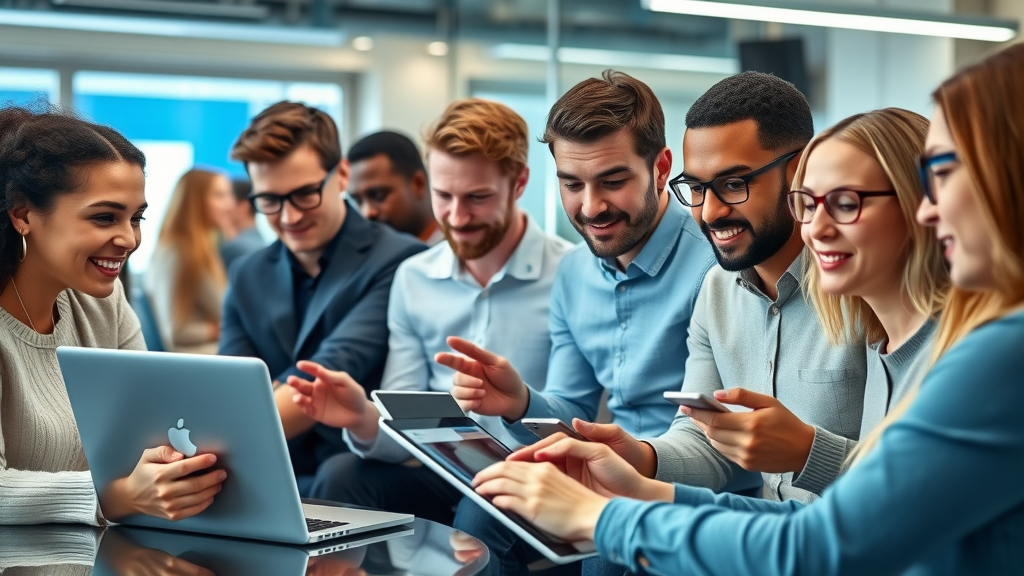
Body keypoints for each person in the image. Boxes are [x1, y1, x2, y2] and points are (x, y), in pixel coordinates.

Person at [472, 43, 1024, 575]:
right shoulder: (752, 298)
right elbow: (821, 520)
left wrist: (606, 516)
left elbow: (831, 540)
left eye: (945, 174)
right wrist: (643, 479)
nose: (817, 227)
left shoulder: (969, 345)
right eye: (812, 204)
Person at [528, 72, 868, 511]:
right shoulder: (719, 288)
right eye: (698, 188)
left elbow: (925, 477)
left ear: (799, 171)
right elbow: (707, 441)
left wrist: (809, 452)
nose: (709, 212)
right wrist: (641, 457)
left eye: (733, 184)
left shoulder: (863, 287)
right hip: (775, 533)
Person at [435, 70, 716, 574]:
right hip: (601, 470)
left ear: (660, 168)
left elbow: (714, 442)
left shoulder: (714, 266)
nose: (591, 207)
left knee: (608, 551)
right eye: (572, 184)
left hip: (681, 480)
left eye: (613, 181)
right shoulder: (573, 272)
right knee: (479, 510)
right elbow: (575, 406)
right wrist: (520, 400)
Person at [288, 99, 571, 524]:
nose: (456, 217)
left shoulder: (570, 273)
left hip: (537, 474)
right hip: (446, 474)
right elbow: (407, 424)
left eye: (477, 197)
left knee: (484, 512)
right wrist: (361, 416)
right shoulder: (412, 277)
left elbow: (579, 413)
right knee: (339, 475)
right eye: (443, 196)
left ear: (519, 183)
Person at [0, 106, 225, 525]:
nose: (129, 239)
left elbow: (152, 426)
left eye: (136, 217)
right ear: (23, 213)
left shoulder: (103, 302)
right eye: (105, 217)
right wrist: (116, 495)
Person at [220, 102, 426, 496]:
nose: (290, 217)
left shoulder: (399, 260)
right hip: (260, 475)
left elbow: (326, 372)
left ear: (342, 175)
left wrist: (214, 443)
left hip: (356, 476)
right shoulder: (247, 273)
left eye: (304, 194)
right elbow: (232, 385)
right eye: (270, 201)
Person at [789, 108, 947, 443]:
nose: (815, 229)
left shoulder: (957, 356)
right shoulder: (883, 350)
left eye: (845, 204)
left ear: (918, 205)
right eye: (808, 204)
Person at [144, 168, 233, 354]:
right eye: (219, 196)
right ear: (195, 201)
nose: (229, 205)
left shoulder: (201, 250)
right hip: (194, 358)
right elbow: (176, 331)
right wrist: (218, 329)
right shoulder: (178, 252)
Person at [347, 131, 443, 245]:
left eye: (378, 196)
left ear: (418, 184)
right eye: (358, 201)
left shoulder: (457, 255)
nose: (366, 213)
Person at [219, 178, 266, 271]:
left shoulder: (235, 248)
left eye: (227, 197)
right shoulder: (262, 243)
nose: (224, 205)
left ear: (243, 206)